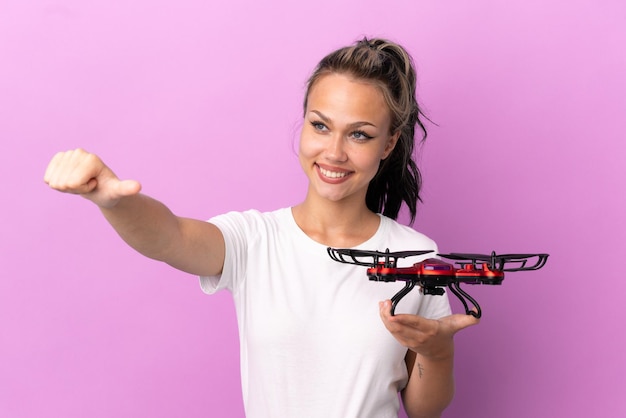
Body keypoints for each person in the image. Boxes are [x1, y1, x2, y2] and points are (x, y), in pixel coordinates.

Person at [44, 37, 479, 418]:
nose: (333, 152)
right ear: (304, 122)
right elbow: (170, 237)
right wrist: (114, 201)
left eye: (360, 135)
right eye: (320, 125)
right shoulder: (255, 241)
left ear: (389, 143)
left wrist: (436, 352)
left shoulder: (416, 257)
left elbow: (425, 409)